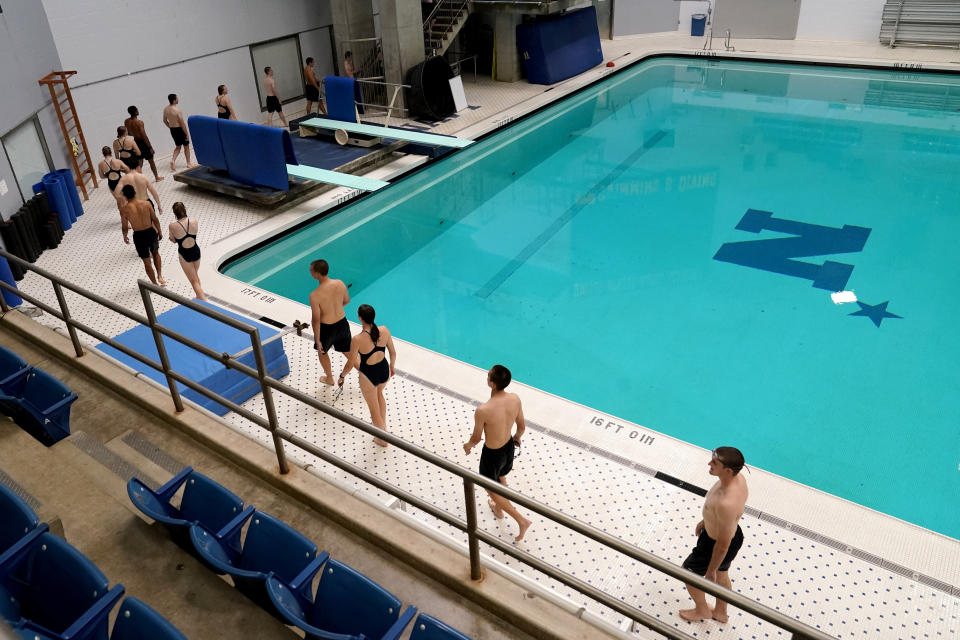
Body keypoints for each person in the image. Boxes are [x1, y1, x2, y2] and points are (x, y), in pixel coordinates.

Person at [679, 446, 749, 623]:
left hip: (716, 544)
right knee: (723, 574)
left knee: (688, 572)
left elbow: (723, 545)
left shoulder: (727, 503)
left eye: (714, 462)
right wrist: (706, 521)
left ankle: (702, 610)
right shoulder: (737, 478)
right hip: (732, 533)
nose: (709, 463)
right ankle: (720, 612)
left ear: (727, 470)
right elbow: (725, 518)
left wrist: (710, 571)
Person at [463, 365, 532, 542]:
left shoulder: (483, 410)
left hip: (492, 454)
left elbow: (477, 438)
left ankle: (521, 520)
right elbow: (521, 427)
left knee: (490, 487)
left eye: (488, 376)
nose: (487, 378)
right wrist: (516, 437)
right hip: (508, 447)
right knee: (501, 476)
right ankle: (498, 507)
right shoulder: (515, 399)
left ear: (492, 384)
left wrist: (468, 446)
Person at [338, 304, 396, 447]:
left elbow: (351, 363)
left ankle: (382, 439)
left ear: (360, 318)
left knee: (373, 408)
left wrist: (342, 375)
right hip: (384, 371)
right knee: (379, 394)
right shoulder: (384, 330)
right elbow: (393, 353)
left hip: (368, 376)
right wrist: (392, 367)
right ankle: (383, 428)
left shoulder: (358, 339)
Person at [308, 259, 351, 386]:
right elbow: (346, 301)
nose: (310, 272)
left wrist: (317, 339)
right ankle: (367, 375)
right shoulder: (340, 283)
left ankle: (329, 378)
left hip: (327, 328)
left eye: (311, 270)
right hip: (342, 323)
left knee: (322, 352)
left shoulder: (315, 295)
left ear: (317, 274)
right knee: (349, 353)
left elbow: (316, 320)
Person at [119, 184, 165, 286]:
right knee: (156, 253)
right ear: (135, 193)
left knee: (146, 261)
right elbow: (155, 219)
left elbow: (124, 226)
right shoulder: (146, 204)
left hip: (139, 236)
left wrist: (125, 236)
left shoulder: (124, 209)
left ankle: (155, 284)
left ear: (125, 196)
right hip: (150, 232)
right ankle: (160, 276)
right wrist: (160, 231)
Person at [168, 202, 206, 300]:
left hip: (184, 254)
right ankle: (199, 296)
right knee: (195, 276)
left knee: (193, 281)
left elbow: (172, 239)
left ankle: (204, 302)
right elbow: (195, 231)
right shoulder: (193, 220)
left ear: (174, 213)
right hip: (196, 251)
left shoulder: (172, 226)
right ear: (185, 209)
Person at [124, 106, 163, 181]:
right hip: (143, 143)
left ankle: (138, 179)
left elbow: (127, 133)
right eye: (137, 110)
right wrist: (150, 147)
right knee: (151, 161)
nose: (138, 111)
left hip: (135, 142)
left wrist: (135, 134)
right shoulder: (139, 122)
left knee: (139, 162)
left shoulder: (126, 121)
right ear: (135, 112)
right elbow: (144, 136)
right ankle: (157, 177)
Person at [162, 93, 195, 171]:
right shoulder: (177, 110)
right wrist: (187, 134)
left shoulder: (166, 109)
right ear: (174, 100)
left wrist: (170, 127)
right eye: (177, 98)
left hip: (173, 130)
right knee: (186, 147)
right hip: (180, 129)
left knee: (178, 146)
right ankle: (188, 164)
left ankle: (172, 160)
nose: (178, 99)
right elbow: (182, 123)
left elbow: (164, 120)